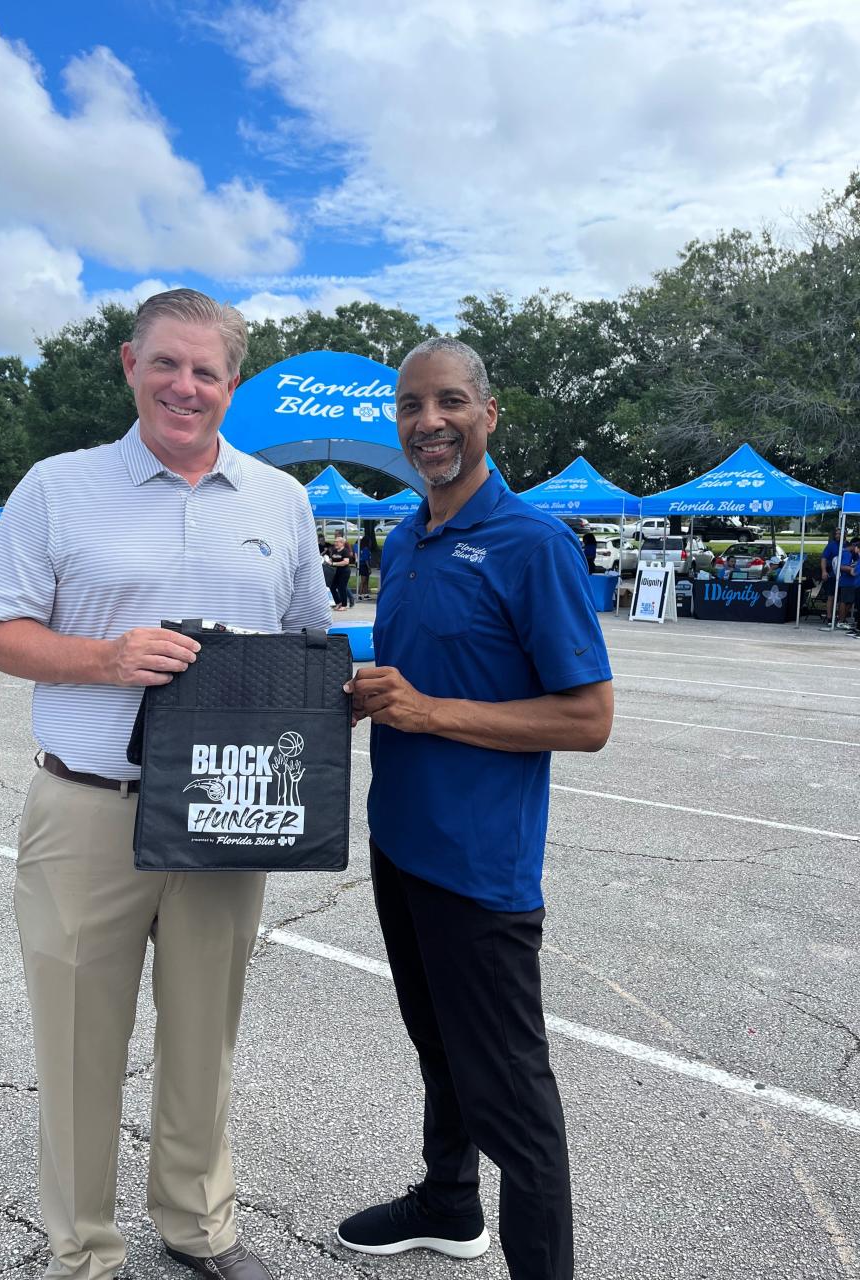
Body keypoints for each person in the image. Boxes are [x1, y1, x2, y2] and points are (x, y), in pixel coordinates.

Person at [0, 288, 332, 1280]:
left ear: (232, 384)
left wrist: (355, 696)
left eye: (206, 370)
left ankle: (197, 1221)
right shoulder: (57, 486)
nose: (185, 384)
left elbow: (309, 641)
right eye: (166, 363)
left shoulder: (280, 501)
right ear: (130, 364)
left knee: (206, 1030)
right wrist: (104, 657)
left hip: (227, 808)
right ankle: (83, 1250)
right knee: (81, 1039)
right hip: (89, 804)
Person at [337, 337, 614, 1280]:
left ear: (489, 414)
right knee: (438, 1047)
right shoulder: (408, 536)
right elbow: (422, 679)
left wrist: (427, 710)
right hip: (399, 842)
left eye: (449, 401)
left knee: (515, 1104)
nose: (429, 422)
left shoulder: (534, 545)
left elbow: (588, 718)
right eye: (411, 406)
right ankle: (450, 1204)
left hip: (480, 869)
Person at [820, 528, 846, 629]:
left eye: (839, 534)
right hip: (832, 575)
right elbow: (823, 558)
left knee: (842, 599)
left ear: (845, 534)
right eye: (836, 534)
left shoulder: (848, 545)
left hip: (844, 576)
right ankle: (830, 618)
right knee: (831, 597)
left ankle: (841, 618)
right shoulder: (831, 545)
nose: (837, 535)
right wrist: (824, 571)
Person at [329, 531, 354, 610]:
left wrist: (334, 564)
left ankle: (344, 605)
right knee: (332, 587)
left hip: (345, 571)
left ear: (342, 543)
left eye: (337, 542)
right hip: (337, 571)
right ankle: (338, 603)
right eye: (335, 542)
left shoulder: (345, 551)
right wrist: (328, 561)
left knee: (342, 587)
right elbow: (331, 559)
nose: (335, 543)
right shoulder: (334, 550)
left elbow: (346, 562)